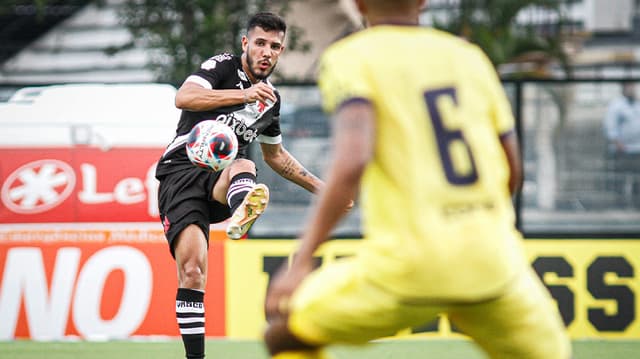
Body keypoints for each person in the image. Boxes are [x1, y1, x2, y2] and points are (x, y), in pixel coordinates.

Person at [263, 1, 571, 359]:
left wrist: (300, 261)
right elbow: (512, 168)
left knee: (283, 332)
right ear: (424, 2)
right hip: (493, 264)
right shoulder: (467, 57)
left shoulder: (351, 57)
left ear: (358, 4)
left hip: (407, 267)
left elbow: (351, 162)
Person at [155, 12, 325, 359]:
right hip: (180, 173)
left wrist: (324, 189)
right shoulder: (222, 67)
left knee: (246, 162)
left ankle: (241, 210)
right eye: (260, 43)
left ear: (281, 51)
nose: (267, 52)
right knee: (192, 272)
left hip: (223, 177)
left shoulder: (271, 100)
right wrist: (243, 96)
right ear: (246, 43)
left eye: (275, 46)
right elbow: (185, 97)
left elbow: (277, 158)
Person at [603, 82, 640, 155]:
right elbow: (610, 127)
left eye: (633, 87)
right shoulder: (616, 105)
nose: (632, 89)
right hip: (623, 149)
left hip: (637, 148)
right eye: (629, 87)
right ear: (623, 88)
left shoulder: (637, 103)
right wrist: (618, 145)